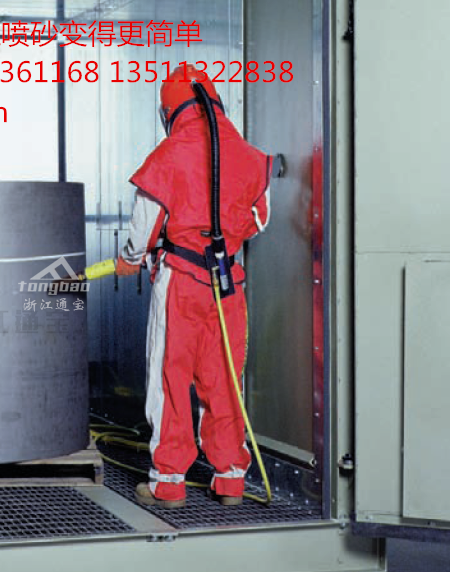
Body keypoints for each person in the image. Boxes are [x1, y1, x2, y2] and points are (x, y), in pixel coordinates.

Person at [115, 64, 277, 508]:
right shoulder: (247, 154)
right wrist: (226, 231)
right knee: (224, 379)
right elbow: (260, 218)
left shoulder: (168, 155)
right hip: (228, 283)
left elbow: (145, 224)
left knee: (171, 376)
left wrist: (131, 258)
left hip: (181, 283)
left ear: (169, 111)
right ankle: (231, 480)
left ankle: (168, 482)